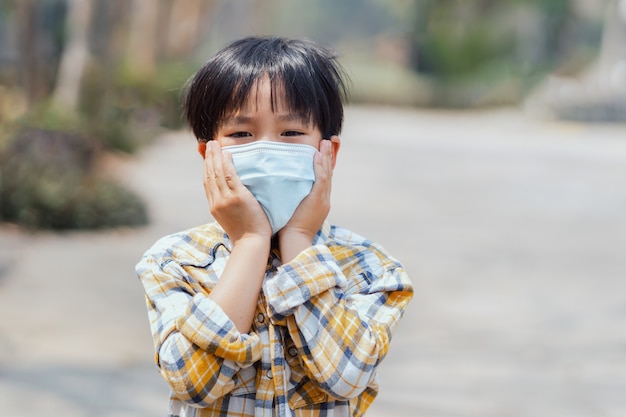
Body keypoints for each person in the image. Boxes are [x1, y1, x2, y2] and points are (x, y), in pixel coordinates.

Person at [135, 36, 413, 417]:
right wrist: (251, 241)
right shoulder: (174, 261)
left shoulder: (370, 269)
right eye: (241, 134)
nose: (266, 149)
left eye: (291, 133)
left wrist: (298, 238)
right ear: (208, 154)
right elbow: (192, 383)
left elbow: (348, 375)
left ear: (327, 154)